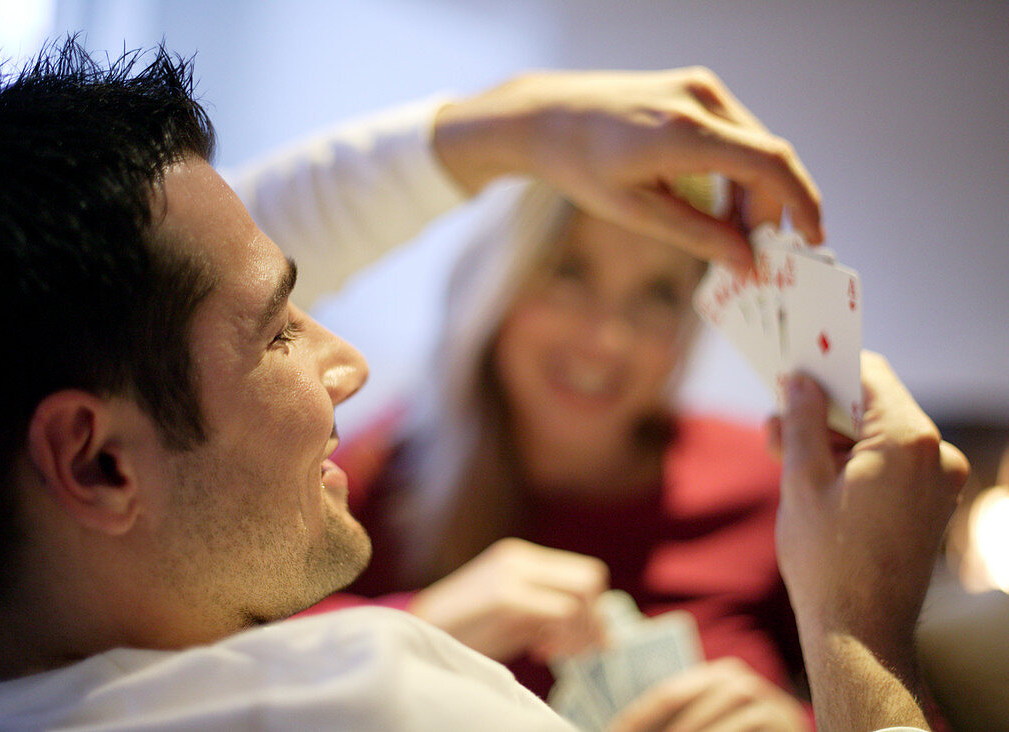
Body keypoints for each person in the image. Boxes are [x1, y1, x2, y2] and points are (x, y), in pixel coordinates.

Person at [0, 36, 967, 732]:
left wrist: (507, 128)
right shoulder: (386, 686)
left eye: (654, 298)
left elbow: (125, 307)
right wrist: (858, 633)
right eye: (276, 333)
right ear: (91, 462)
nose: (344, 360)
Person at [308, 180, 811, 730]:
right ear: (496, 284)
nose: (606, 340)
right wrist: (415, 630)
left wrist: (800, 726)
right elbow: (218, 668)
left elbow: (901, 710)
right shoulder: (370, 472)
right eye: (570, 274)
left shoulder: (772, 481)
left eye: (658, 295)